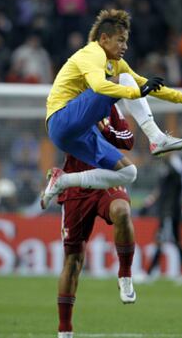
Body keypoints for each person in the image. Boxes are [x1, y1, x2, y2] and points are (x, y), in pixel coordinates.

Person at [41, 9, 182, 210]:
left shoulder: (116, 63)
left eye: (126, 41)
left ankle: (62, 181)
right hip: (61, 118)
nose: (125, 46)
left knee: (128, 173)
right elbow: (100, 86)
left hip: (75, 133)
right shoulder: (92, 53)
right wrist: (136, 92)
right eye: (120, 40)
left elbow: (148, 86)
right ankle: (157, 138)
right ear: (104, 38)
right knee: (127, 81)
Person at [57, 105, 135, 338]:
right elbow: (61, 136)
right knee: (73, 261)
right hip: (76, 186)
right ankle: (65, 331)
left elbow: (128, 140)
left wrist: (108, 129)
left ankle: (125, 275)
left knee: (121, 210)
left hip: (106, 177)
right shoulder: (69, 102)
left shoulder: (109, 104)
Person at [140, 153, 182, 281]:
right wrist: (149, 202)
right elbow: (161, 189)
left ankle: (148, 274)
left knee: (161, 241)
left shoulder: (177, 166)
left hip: (170, 212)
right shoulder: (167, 166)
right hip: (166, 211)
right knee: (175, 241)